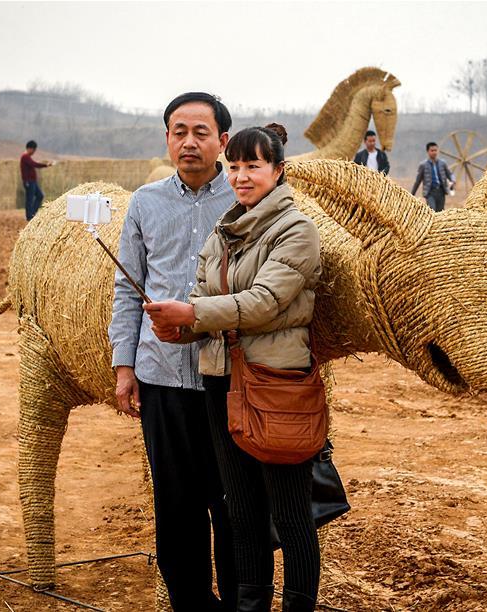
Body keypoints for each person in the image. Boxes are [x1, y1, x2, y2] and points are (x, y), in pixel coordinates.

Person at [144, 123, 322, 612]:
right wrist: (179, 327)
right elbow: (202, 297)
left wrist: (195, 315)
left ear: (278, 171)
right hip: (222, 383)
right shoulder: (224, 232)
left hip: (275, 385)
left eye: (254, 166)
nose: (242, 176)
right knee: (240, 511)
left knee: (289, 515)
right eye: (237, 166)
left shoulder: (297, 231)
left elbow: (264, 302)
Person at [109, 92, 237, 612]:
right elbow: (127, 288)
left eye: (200, 132)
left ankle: (239, 603)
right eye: (178, 131)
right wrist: (124, 367)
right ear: (167, 138)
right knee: (176, 507)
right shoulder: (144, 202)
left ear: (222, 141)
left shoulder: (247, 200)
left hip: (231, 380)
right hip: (160, 379)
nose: (188, 141)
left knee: (234, 506)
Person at [411, 141, 455, 212]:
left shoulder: (442, 163)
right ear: (428, 151)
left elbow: (450, 174)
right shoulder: (423, 165)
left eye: (435, 150)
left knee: (440, 212)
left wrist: (453, 180)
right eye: (432, 150)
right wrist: (412, 194)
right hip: (430, 192)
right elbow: (417, 181)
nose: (434, 152)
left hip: (441, 192)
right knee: (432, 210)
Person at [20, 140, 54, 221]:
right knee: (30, 199)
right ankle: (29, 216)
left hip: (32, 181)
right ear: (30, 149)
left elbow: (33, 164)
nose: (34, 152)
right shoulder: (25, 157)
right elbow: (34, 164)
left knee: (40, 195)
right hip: (29, 182)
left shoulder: (27, 157)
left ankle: (33, 213)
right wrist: (45, 165)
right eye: (34, 150)